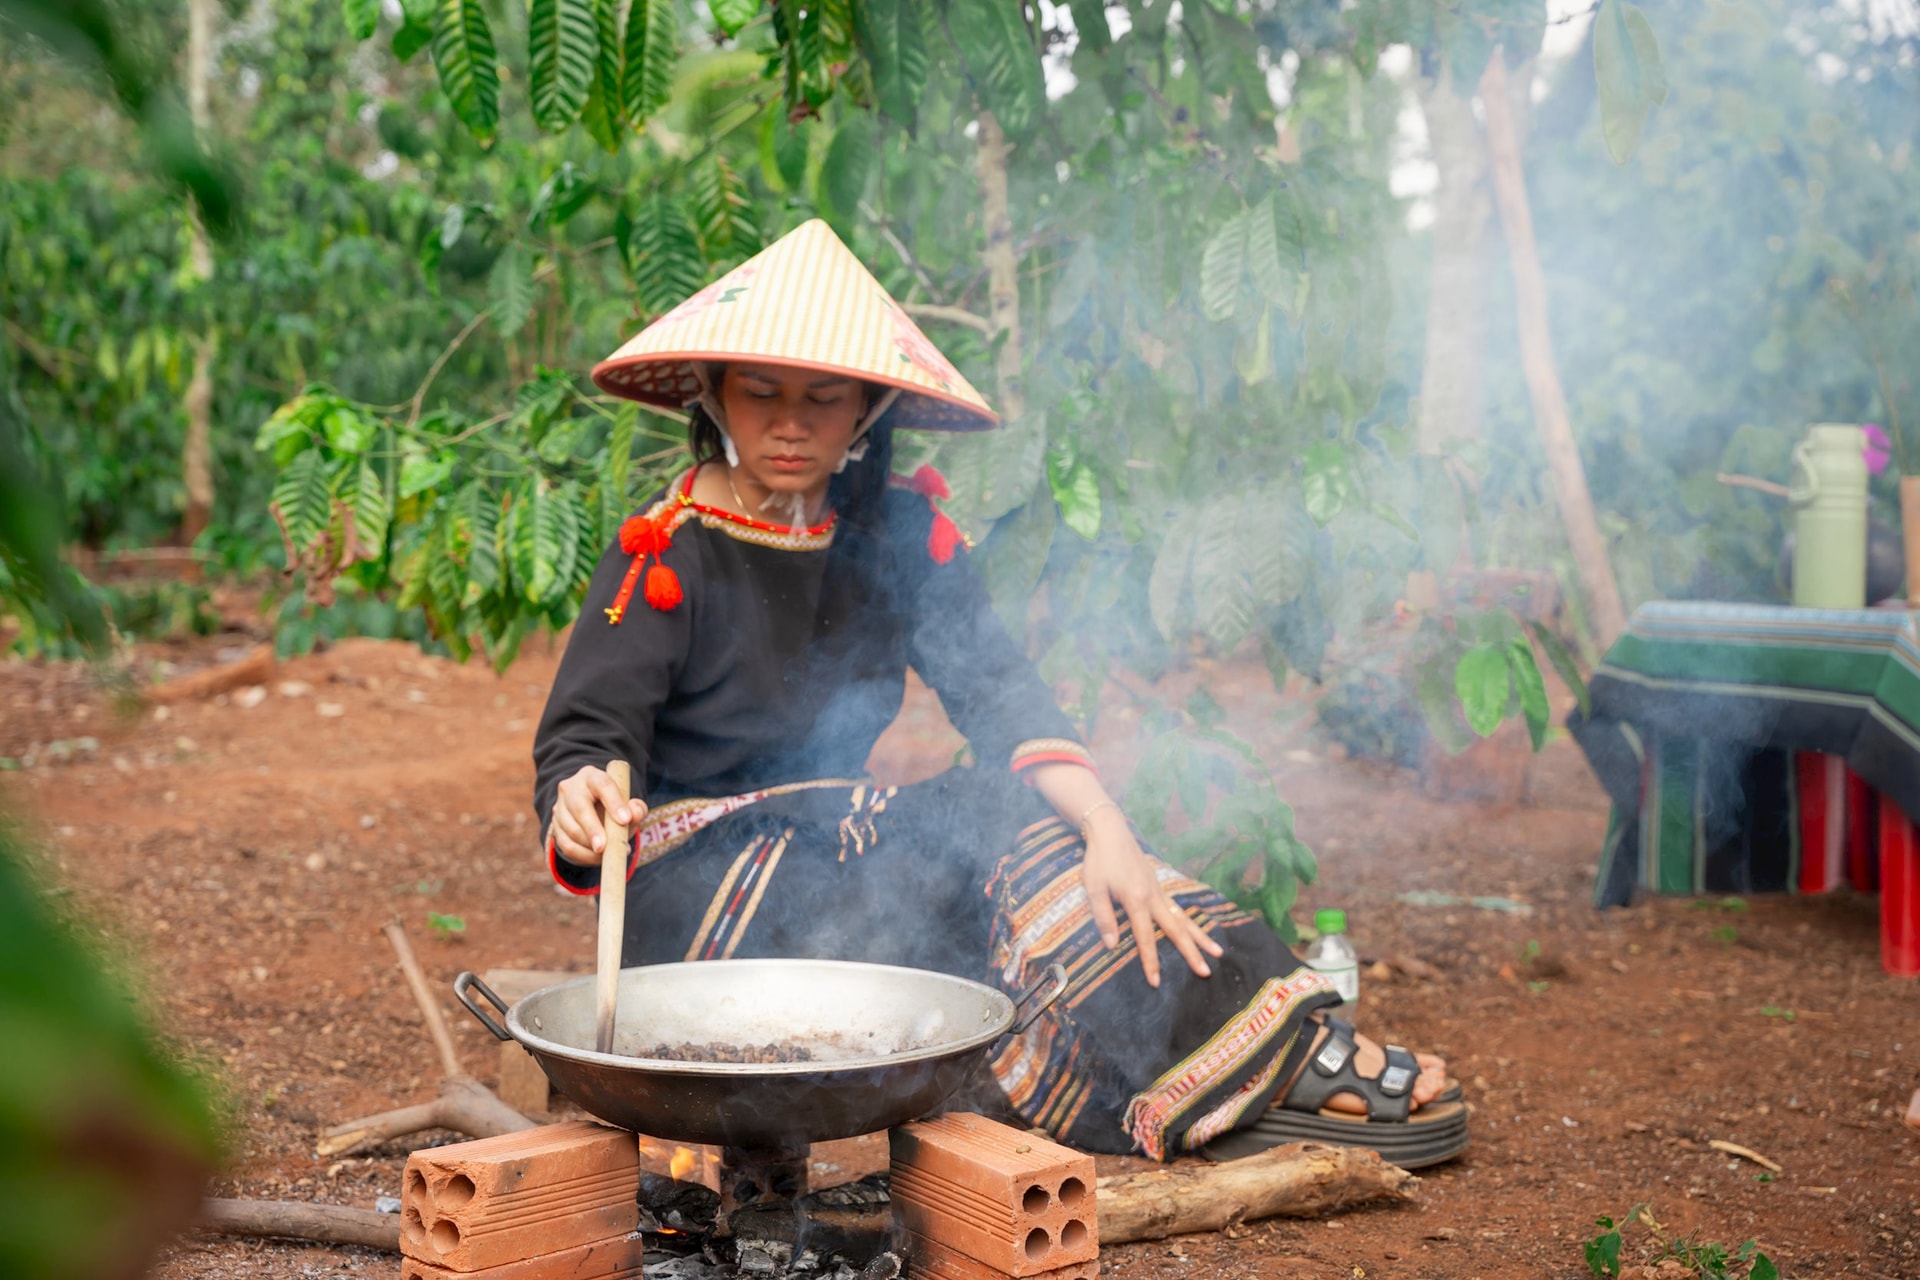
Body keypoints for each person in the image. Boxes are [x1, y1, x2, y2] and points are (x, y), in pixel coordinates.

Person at [532, 220, 1468, 1165]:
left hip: (843, 858)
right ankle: (1270, 1060)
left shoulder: (901, 532)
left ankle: (1237, 1065)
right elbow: (586, 737)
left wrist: (1105, 824)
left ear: (868, 407)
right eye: (761, 392)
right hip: (706, 896)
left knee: (1025, 835)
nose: (790, 423)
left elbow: (1000, 691)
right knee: (977, 833)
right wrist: (583, 801)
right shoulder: (664, 546)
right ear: (713, 393)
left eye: (823, 397)